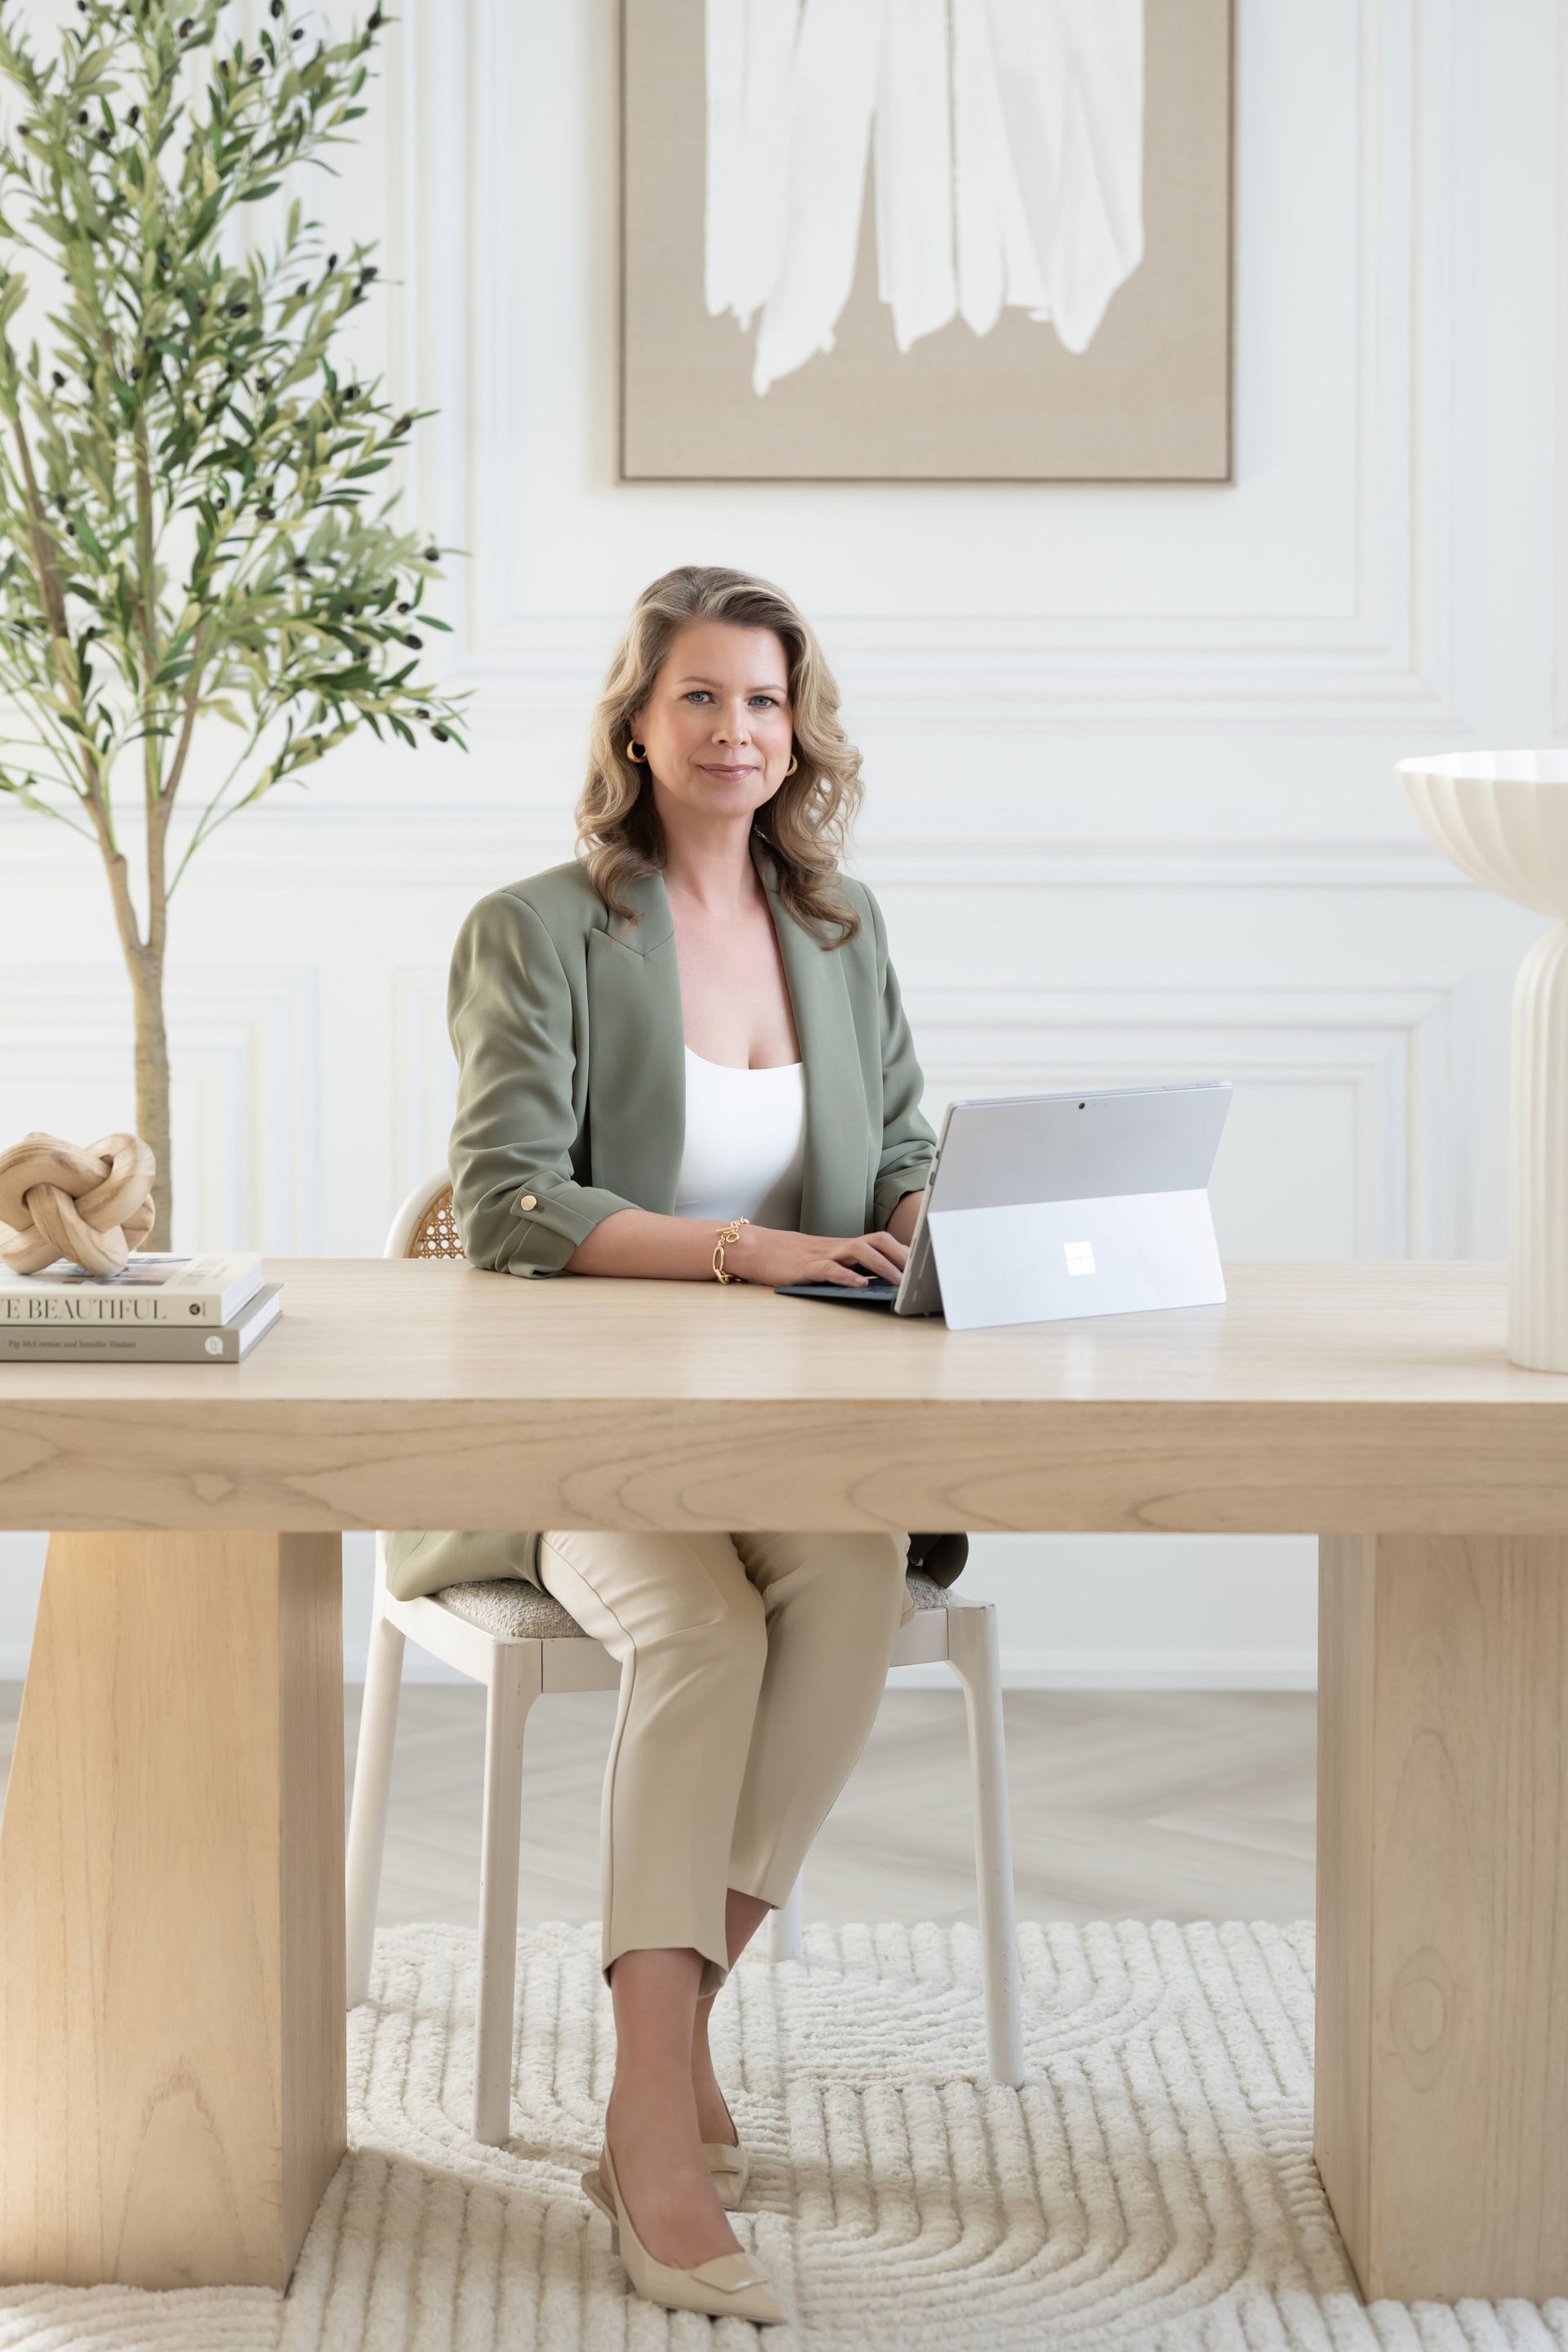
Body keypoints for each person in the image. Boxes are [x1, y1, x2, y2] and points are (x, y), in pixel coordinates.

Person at [386, 563, 938, 2324]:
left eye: (765, 700)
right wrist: (752, 1249)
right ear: (638, 721)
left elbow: (908, 1137)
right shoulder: (540, 926)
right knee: (702, 1632)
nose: (735, 730)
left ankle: (656, 2044)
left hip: (794, 1428)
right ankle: (658, 2129)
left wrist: (929, 1220)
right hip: (574, 1429)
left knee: (851, 1584)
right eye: (699, 696)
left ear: (800, 729)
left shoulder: (841, 935)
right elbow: (505, 1202)